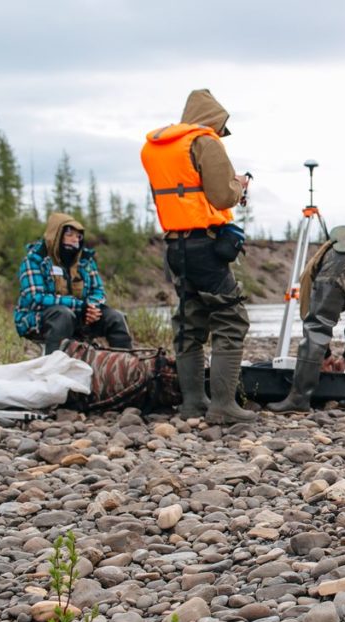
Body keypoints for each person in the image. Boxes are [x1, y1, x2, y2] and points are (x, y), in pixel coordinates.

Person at [140, 88, 254, 424]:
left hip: (175, 246)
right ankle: (222, 406)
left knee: (189, 321)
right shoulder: (204, 142)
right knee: (230, 318)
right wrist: (238, 185)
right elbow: (220, 197)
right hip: (206, 245)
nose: (221, 134)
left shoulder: (156, 148)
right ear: (213, 119)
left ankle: (192, 404)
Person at [269, 225, 345, 413]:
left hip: (342, 263)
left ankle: (299, 400)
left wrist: (324, 355)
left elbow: (309, 314)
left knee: (317, 328)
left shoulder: (319, 264)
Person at [14, 212, 132, 354]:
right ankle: (54, 369)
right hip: (36, 319)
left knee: (116, 318)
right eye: (69, 234)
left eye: (78, 236)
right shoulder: (34, 260)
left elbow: (98, 290)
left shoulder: (85, 260)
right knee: (63, 315)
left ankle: (125, 366)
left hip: (78, 315)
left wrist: (91, 306)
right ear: (56, 234)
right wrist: (79, 305)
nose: (74, 239)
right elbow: (35, 299)